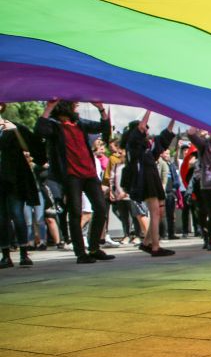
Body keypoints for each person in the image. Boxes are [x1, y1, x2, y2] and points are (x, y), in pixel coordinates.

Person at [35, 100, 115, 264]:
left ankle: (94, 248)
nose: (76, 105)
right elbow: (39, 130)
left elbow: (104, 128)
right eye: (73, 103)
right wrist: (49, 107)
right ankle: (81, 253)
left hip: (90, 173)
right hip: (71, 175)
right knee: (76, 213)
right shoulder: (54, 125)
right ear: (64, 106)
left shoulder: (79, 123)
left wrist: (101, 109)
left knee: (100, 208)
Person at [123, 112, 176, 257]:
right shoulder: (133, 146)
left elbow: (166, 135)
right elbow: (140, 126)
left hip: (152, 178)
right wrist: (149, 109)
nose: (147, 130)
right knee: (154, 212)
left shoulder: (148, 147)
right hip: (145, 180)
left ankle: (146, 243)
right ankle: (155, 246)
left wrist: (174, 117)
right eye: (144, 129)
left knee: (157, 212)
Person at [0, 107, 47, 267]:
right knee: (1, 219)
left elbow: (32, 148)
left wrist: (15, 131)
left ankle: (24, 253)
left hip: (14, 180)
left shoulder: (14, 127)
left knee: (17, 214)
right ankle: (5, 255)